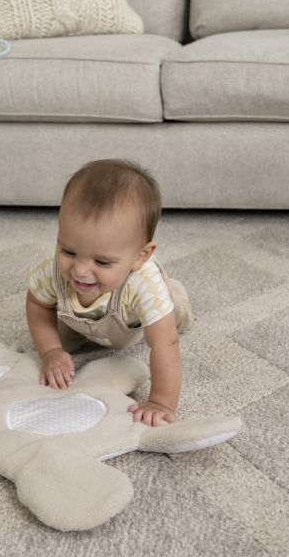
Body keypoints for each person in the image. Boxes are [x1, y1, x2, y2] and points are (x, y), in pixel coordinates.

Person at [26, 159, 192, 427]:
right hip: (83, 319)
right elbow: (37, 302)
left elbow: (165, 345)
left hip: (133, 320)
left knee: (172, 318)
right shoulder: (55, 272)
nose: (79, 271)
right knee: (55, 336)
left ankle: (176, 298)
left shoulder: (144, 284)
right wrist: (51, 351)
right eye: (68, 251)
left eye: (102, 262)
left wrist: (161, 401)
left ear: (142, 255)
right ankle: (77, 332)